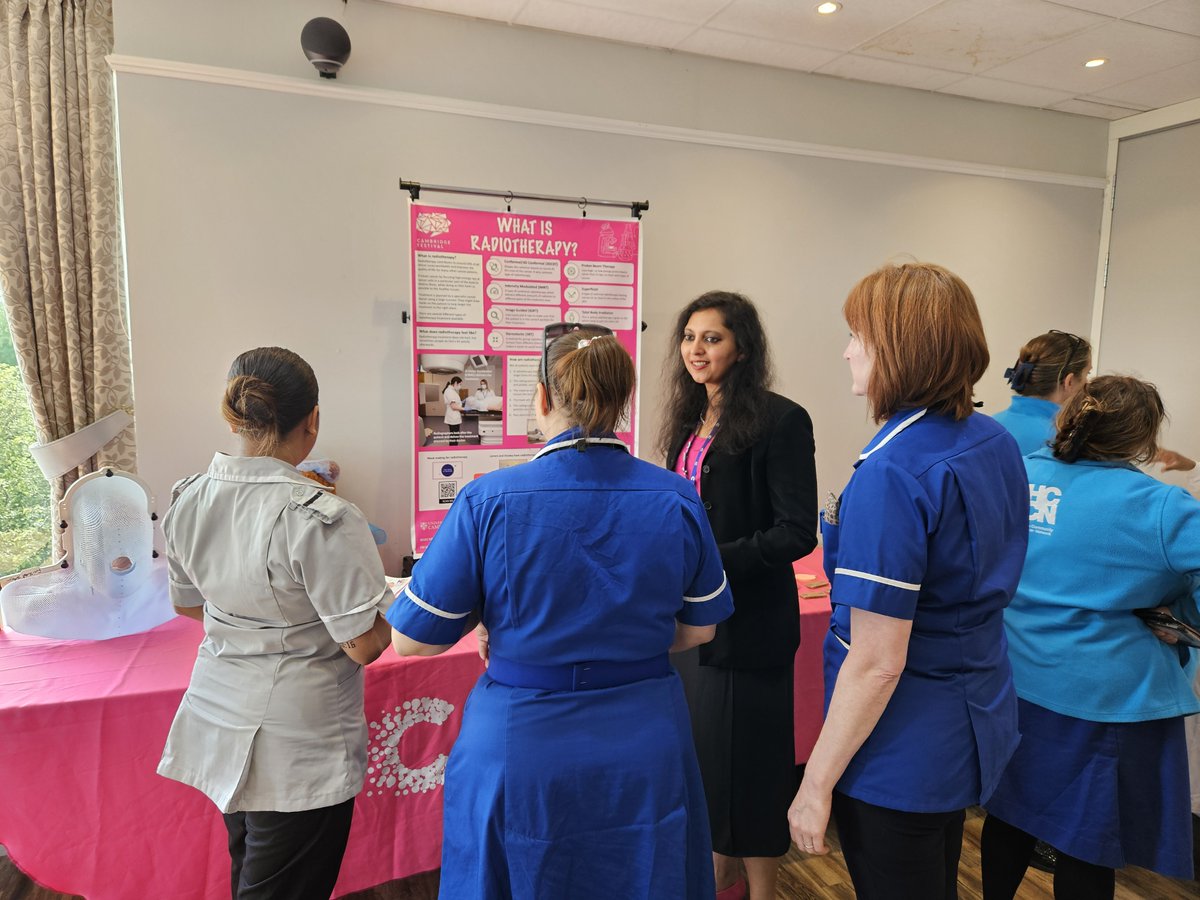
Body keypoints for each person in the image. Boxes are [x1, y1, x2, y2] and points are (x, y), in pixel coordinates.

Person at [387, 331, 734, 899]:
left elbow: (412, 641)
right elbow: (700, 626)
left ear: (543, 398)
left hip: (521, 746)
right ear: (623, 399)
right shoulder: (675, 497)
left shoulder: (487, 499)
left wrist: (492, 624)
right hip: (644, 743)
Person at [787, 262, 1028, 900]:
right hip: (969, 717)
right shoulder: (990, 439)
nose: (846, 352)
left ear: (899, 347)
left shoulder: (895, 473)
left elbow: (876, 662)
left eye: (856, 336)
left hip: (900, 743)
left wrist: (814, 785)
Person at [158, 347, 394, 899]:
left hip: (221, 719)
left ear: (235, 415)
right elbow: (362, 644)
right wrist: (401, 606)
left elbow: (189, 606)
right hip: (297, 746)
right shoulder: (320, 516)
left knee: (253, 873)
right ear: (312, 420)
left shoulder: (188, 498)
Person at [980, 375, 1200, 899]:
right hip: (1100, 704)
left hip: (1012, 683)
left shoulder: (1017, 472)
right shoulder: (1160, 508)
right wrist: (1183, 619)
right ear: (1143, 439)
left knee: (1010, 813)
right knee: (1085, 840)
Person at [658, 290, 818, 900]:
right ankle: (719, 874)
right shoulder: (688, 419)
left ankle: (763, 888)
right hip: (692, 623)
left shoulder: (781, 419)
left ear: (742, 346)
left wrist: (710, 563)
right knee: (710, 765)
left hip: (749, 625)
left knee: (750, 769)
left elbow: (796, 532)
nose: (697, 349)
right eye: (690, 336)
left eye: (713, 338)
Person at [992, 330, 1091, 455]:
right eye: (1087, 373)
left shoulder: (989, 425)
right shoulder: (1062, 442)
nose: (1088, 383)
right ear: (1069, 382)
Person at [442, 375, 464, 445]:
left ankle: (453, 449)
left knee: (455, 436)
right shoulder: (449, 391)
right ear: (455, 383)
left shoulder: (452, 391)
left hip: (454, 417)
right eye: (460, 384)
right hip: (453, 417)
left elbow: (456, 403)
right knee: (454, 436)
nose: (460, 386)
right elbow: (454, 406)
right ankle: (453, 451)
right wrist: (465, 409)